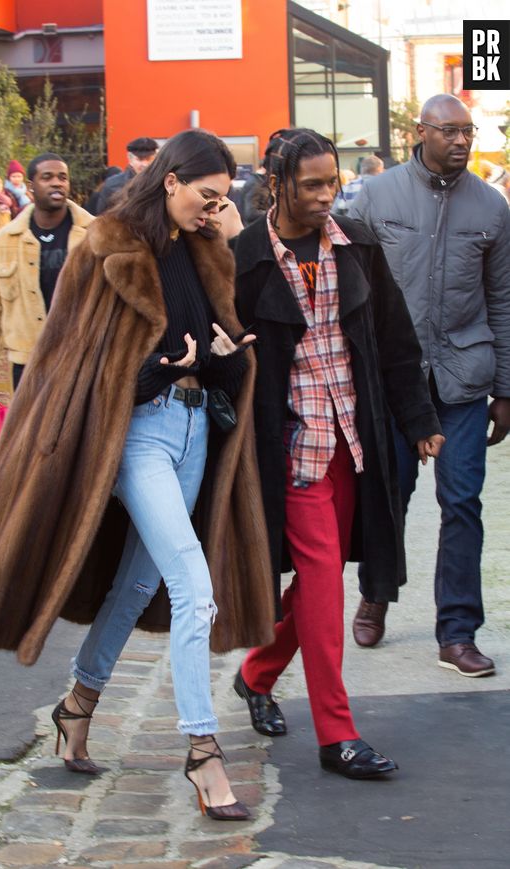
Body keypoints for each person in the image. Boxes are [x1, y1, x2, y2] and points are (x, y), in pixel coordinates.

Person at [0, 129, 275, 820]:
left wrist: (220, 355)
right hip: (136, 438)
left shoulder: (209, 249)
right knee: (193, 585)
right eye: (206, 198)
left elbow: (231, 352)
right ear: (172, 179)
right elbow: (70, 362)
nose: (213, 212)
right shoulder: (108, 246)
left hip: (192, 433)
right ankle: (203, 751)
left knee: (141, 580)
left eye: (222, 203)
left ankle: (78, 704)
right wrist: (159, 369)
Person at [231, 127, 443, 779]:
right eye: (314, 184)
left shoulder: (358, 246)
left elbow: (394, 337)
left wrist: (418, 417)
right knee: (322, 579)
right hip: (290, 445)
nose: (330, 196)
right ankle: (337, 734)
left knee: (324, 583)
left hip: (357, 439)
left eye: (334, 183)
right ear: (277, 183)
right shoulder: (244, 257)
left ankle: (256, 672)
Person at [349, 94, 510, 676]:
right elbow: (352, 291)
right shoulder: (377, 196)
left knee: (462, 502)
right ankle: (376, 592)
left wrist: (507, 390)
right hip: (394, 378)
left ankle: (458, 631)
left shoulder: (492, 208)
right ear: (421, 132)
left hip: (464, 381)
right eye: (450, 131)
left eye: (469, 132)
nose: (462, 141)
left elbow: (503, 300)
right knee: (390, 496)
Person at [0, 152, 93, 393]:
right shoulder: (2, 243)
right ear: (30, 187)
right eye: (48, 177)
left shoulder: (94, 234)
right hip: (28, 362)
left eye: (62, 177)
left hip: (83, 359)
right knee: (29, 432)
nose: (57, 182)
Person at [96, 136, 159, 213]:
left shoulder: (162, 184)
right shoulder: (112, 185)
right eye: (140, 159)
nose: (145, 164)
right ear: (130, 159)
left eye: (149, 159)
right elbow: (102, 217)